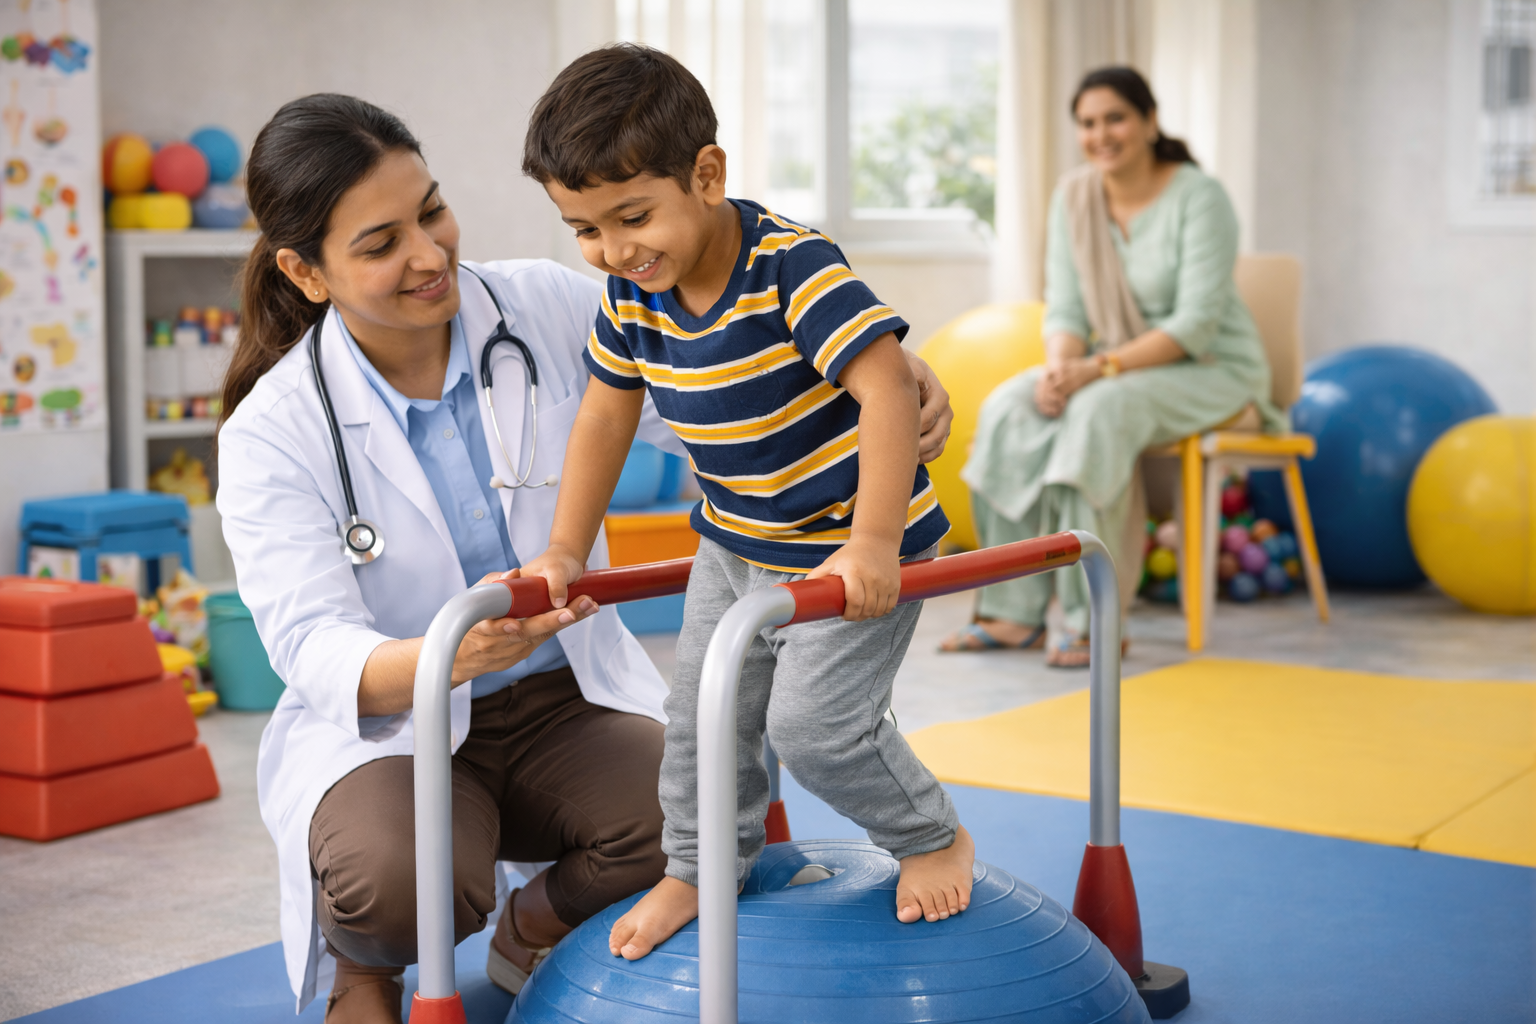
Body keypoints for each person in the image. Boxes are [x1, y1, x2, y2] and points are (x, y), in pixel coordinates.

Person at [216, 94, 955, 1023]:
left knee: (701, 818)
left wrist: (885, 385)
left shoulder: (555, 305)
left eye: (432, 211)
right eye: (380, 243)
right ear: (305, 271)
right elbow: (309, 644)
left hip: (567, 698)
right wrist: (452, 654)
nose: (431, 254)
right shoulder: (271, 433)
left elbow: (726, 417)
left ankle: (536, 925)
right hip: (397, 727)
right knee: (402, 880)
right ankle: (366, 970)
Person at [518, 44, 976, 963]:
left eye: (632, 216)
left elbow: (887, 387)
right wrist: (566, 549)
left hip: (846, 543)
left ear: (707, 174)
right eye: (585, 230)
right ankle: (697, 867)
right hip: (735, 547)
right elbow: (606, 415)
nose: (614, 250)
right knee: (698, 722)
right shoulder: (631, 296)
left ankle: (930, 835)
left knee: (812, 729)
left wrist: (875, 542)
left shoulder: (791, 266)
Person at [941, 65, 1281, 667]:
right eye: (1089, 123)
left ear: (1150, 122)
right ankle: (1011, 613)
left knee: (1097, 412)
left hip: (1212, 367)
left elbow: (1195, 324)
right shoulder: (1074, 197)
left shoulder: (1198, 197)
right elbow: (1067, 307)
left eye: (1116, 118)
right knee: (1007, 408)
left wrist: (1094, 372)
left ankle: (1093, 618)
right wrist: (1059, 369)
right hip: (1111, 364)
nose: (1102, 134)